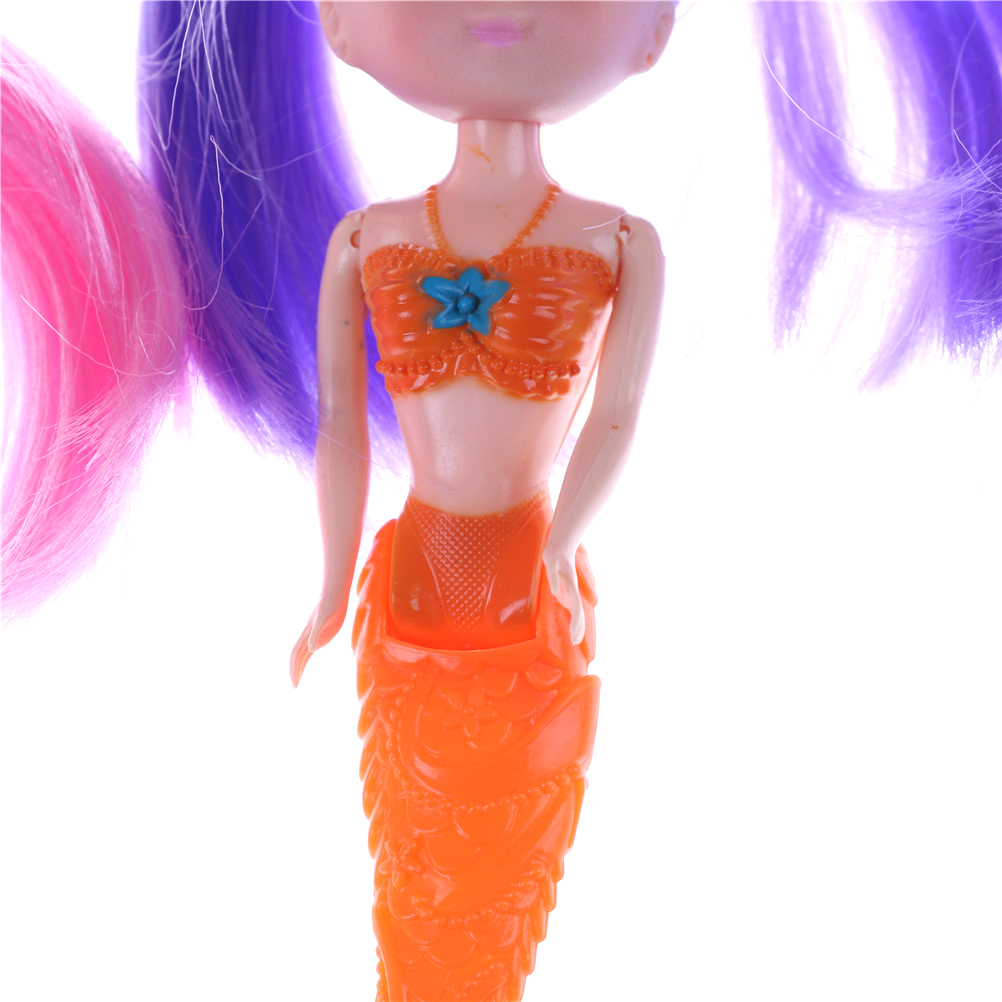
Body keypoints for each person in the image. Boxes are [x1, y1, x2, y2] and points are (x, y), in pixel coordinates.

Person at [2, 4, 1000, 1000]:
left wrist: (564, 542)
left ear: (656, 29)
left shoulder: (618, 242)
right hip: (413, 581)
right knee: (414, 857)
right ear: (336, 24)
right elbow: (343, 427)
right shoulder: (371, 240)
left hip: (530, 587)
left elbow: (616, 415)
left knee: (503, 870)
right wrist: (331, 582)